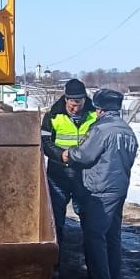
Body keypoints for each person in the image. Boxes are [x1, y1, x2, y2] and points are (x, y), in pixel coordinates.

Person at [63, 87, 138, 279]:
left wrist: (70, 153)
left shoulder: (101, 129)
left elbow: (85, 156)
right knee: (112, 236)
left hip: (100, 189)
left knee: (94, 236)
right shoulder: (126, 129)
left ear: (100, 109)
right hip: (119, 188)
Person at [39, 79, 97, 267]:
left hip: (84, 176)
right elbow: (45, 142)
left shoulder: (94, 115)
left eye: (78, 103)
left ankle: (91, 263)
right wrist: (59, 155)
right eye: (71, 103)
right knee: (56, 221)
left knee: (89, 220)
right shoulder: (53, 116)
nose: (74, 107)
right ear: (65, 99)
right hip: (59, 175)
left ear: (83, 100)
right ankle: (55, 264)